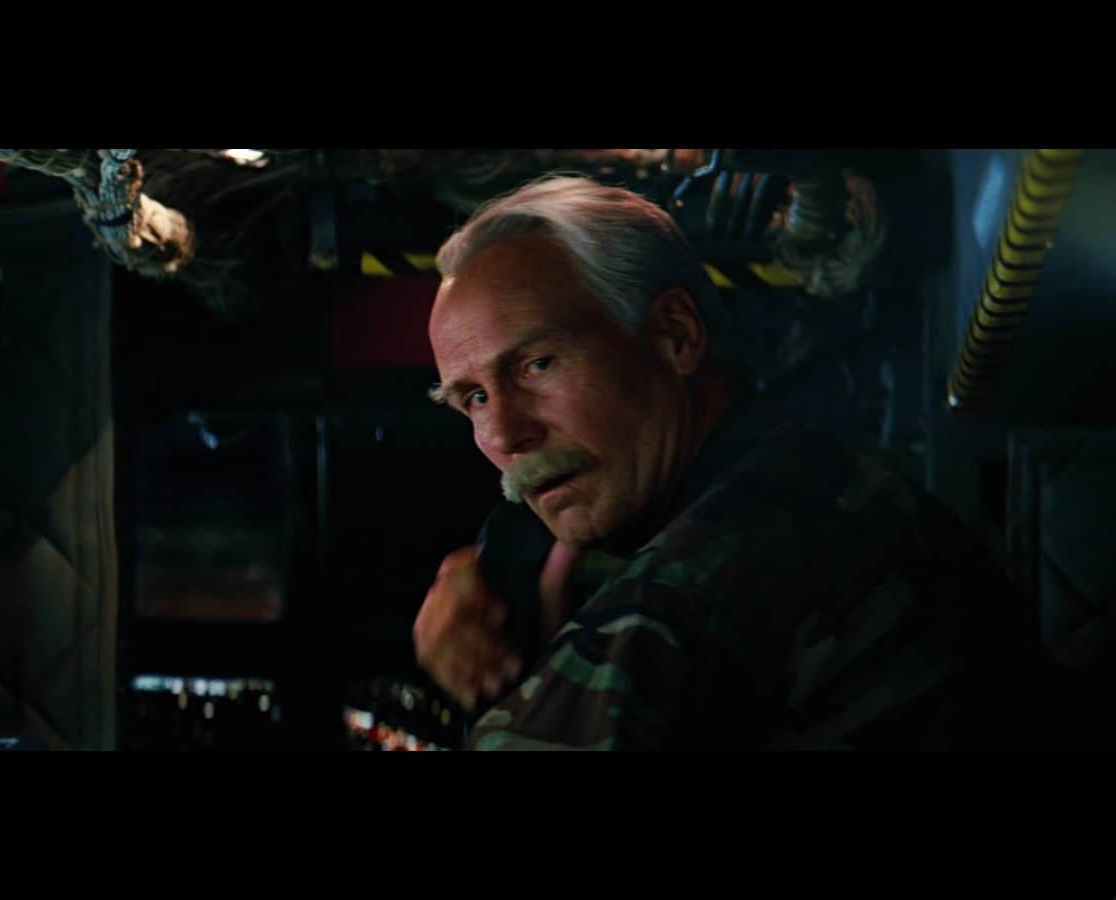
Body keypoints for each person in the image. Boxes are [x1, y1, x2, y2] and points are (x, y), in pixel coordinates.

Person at [413, 174, 1031, 750]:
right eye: (474, 399)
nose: (504, 434)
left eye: (537, 364)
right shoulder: (829, 488)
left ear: (676, 335)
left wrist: (521, 685)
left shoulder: (677, 604)